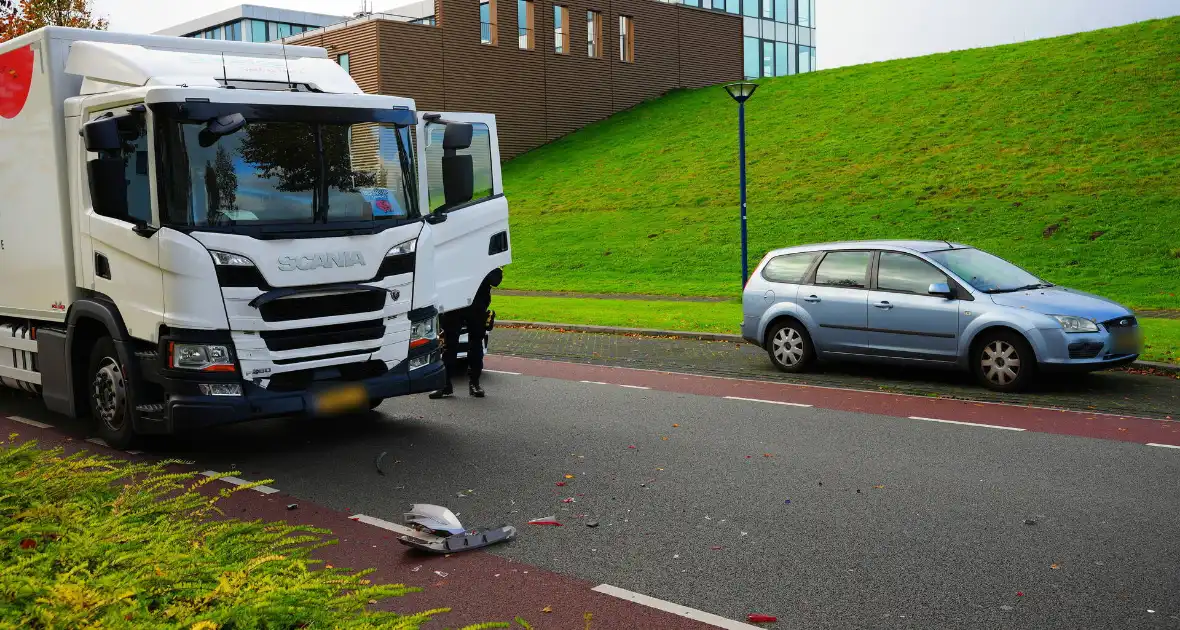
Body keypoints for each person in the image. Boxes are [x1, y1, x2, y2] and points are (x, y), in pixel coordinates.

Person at [430, 268, 502, 399]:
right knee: (449, 344)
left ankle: (475, 383)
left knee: (476, 345)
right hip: (454, 303)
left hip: (477, 304)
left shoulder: (484, 252)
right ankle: (445, 384)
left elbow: (496, 280)